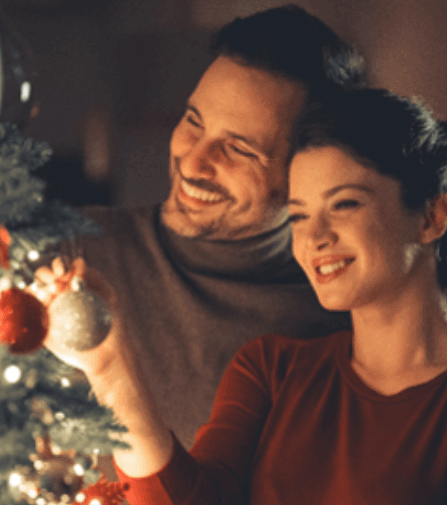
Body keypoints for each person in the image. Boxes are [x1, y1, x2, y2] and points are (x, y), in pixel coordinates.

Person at [41, 88, 447, 504]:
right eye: (299, 216)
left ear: (432, 217)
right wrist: (110, 367)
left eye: (344, 204)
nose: (315, 238)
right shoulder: (272, 369)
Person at [62, 4, 362, 452]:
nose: (194, 160)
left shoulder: (336, 329)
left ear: (307, 171)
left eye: (239, 149)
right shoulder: (73, 247)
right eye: (193, 121)